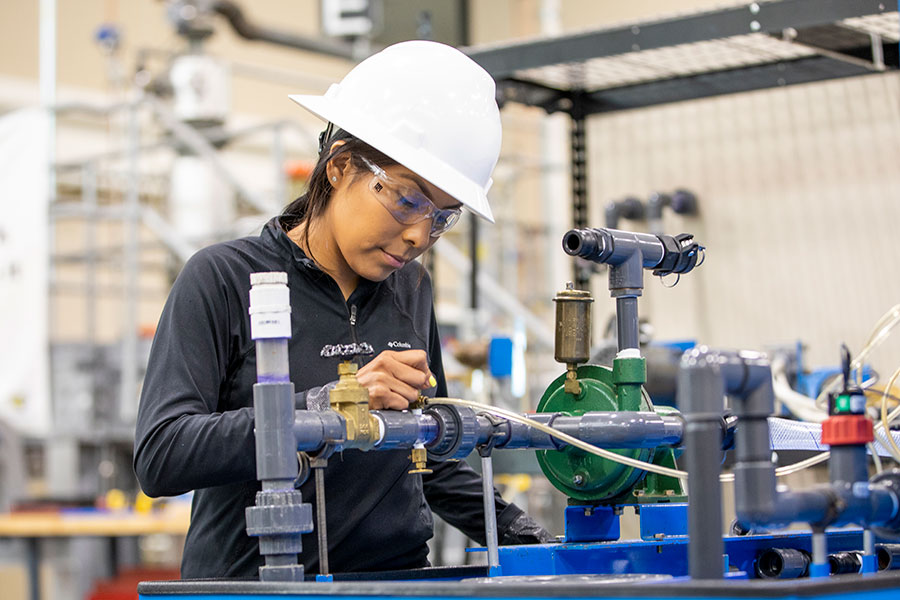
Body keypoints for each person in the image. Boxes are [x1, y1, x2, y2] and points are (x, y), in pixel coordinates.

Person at [133, 40, 551, 580]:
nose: (419, 234)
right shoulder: (224, 279)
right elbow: (163, 454)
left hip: (397, 584)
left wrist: (528, 535)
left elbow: (427, 453)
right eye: (406, 199)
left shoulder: (411, 288)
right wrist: (325, 407)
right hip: (259, 587)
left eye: (443, 217)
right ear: (340, 167)